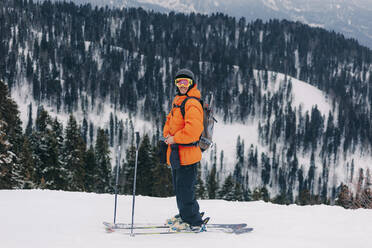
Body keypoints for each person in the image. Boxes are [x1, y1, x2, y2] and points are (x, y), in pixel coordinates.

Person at [163, 68, 206, 231]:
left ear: (191, 84)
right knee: (180, 189)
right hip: (178, 154)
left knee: (185, 191)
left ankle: (194, 222)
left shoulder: (192, 103)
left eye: (185, 82)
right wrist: (167, 134)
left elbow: (194, 130)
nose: (182, 85)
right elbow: (169, 122)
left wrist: (175, 138)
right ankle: (185, 214)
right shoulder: (179, 101)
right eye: (179, 82)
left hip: (187, 155)